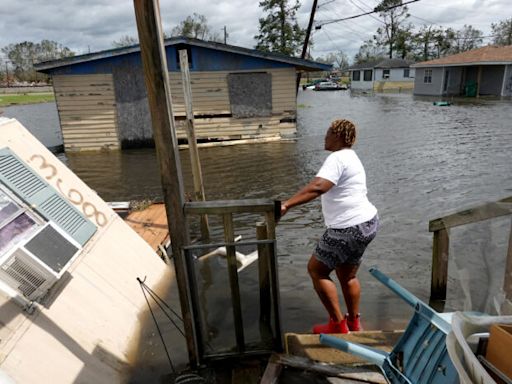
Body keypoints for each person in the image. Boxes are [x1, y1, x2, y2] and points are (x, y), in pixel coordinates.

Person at [280, 119, 379, 334]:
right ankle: (354, 322)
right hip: (367, 223)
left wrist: (286, 205)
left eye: (327, 133)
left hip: (348, 227)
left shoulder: (337, 157)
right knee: (347, 275)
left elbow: (318, 186)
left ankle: (337, 324)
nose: (324, 137)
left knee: (317, 270)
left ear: (338, 135)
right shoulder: (352, 157)